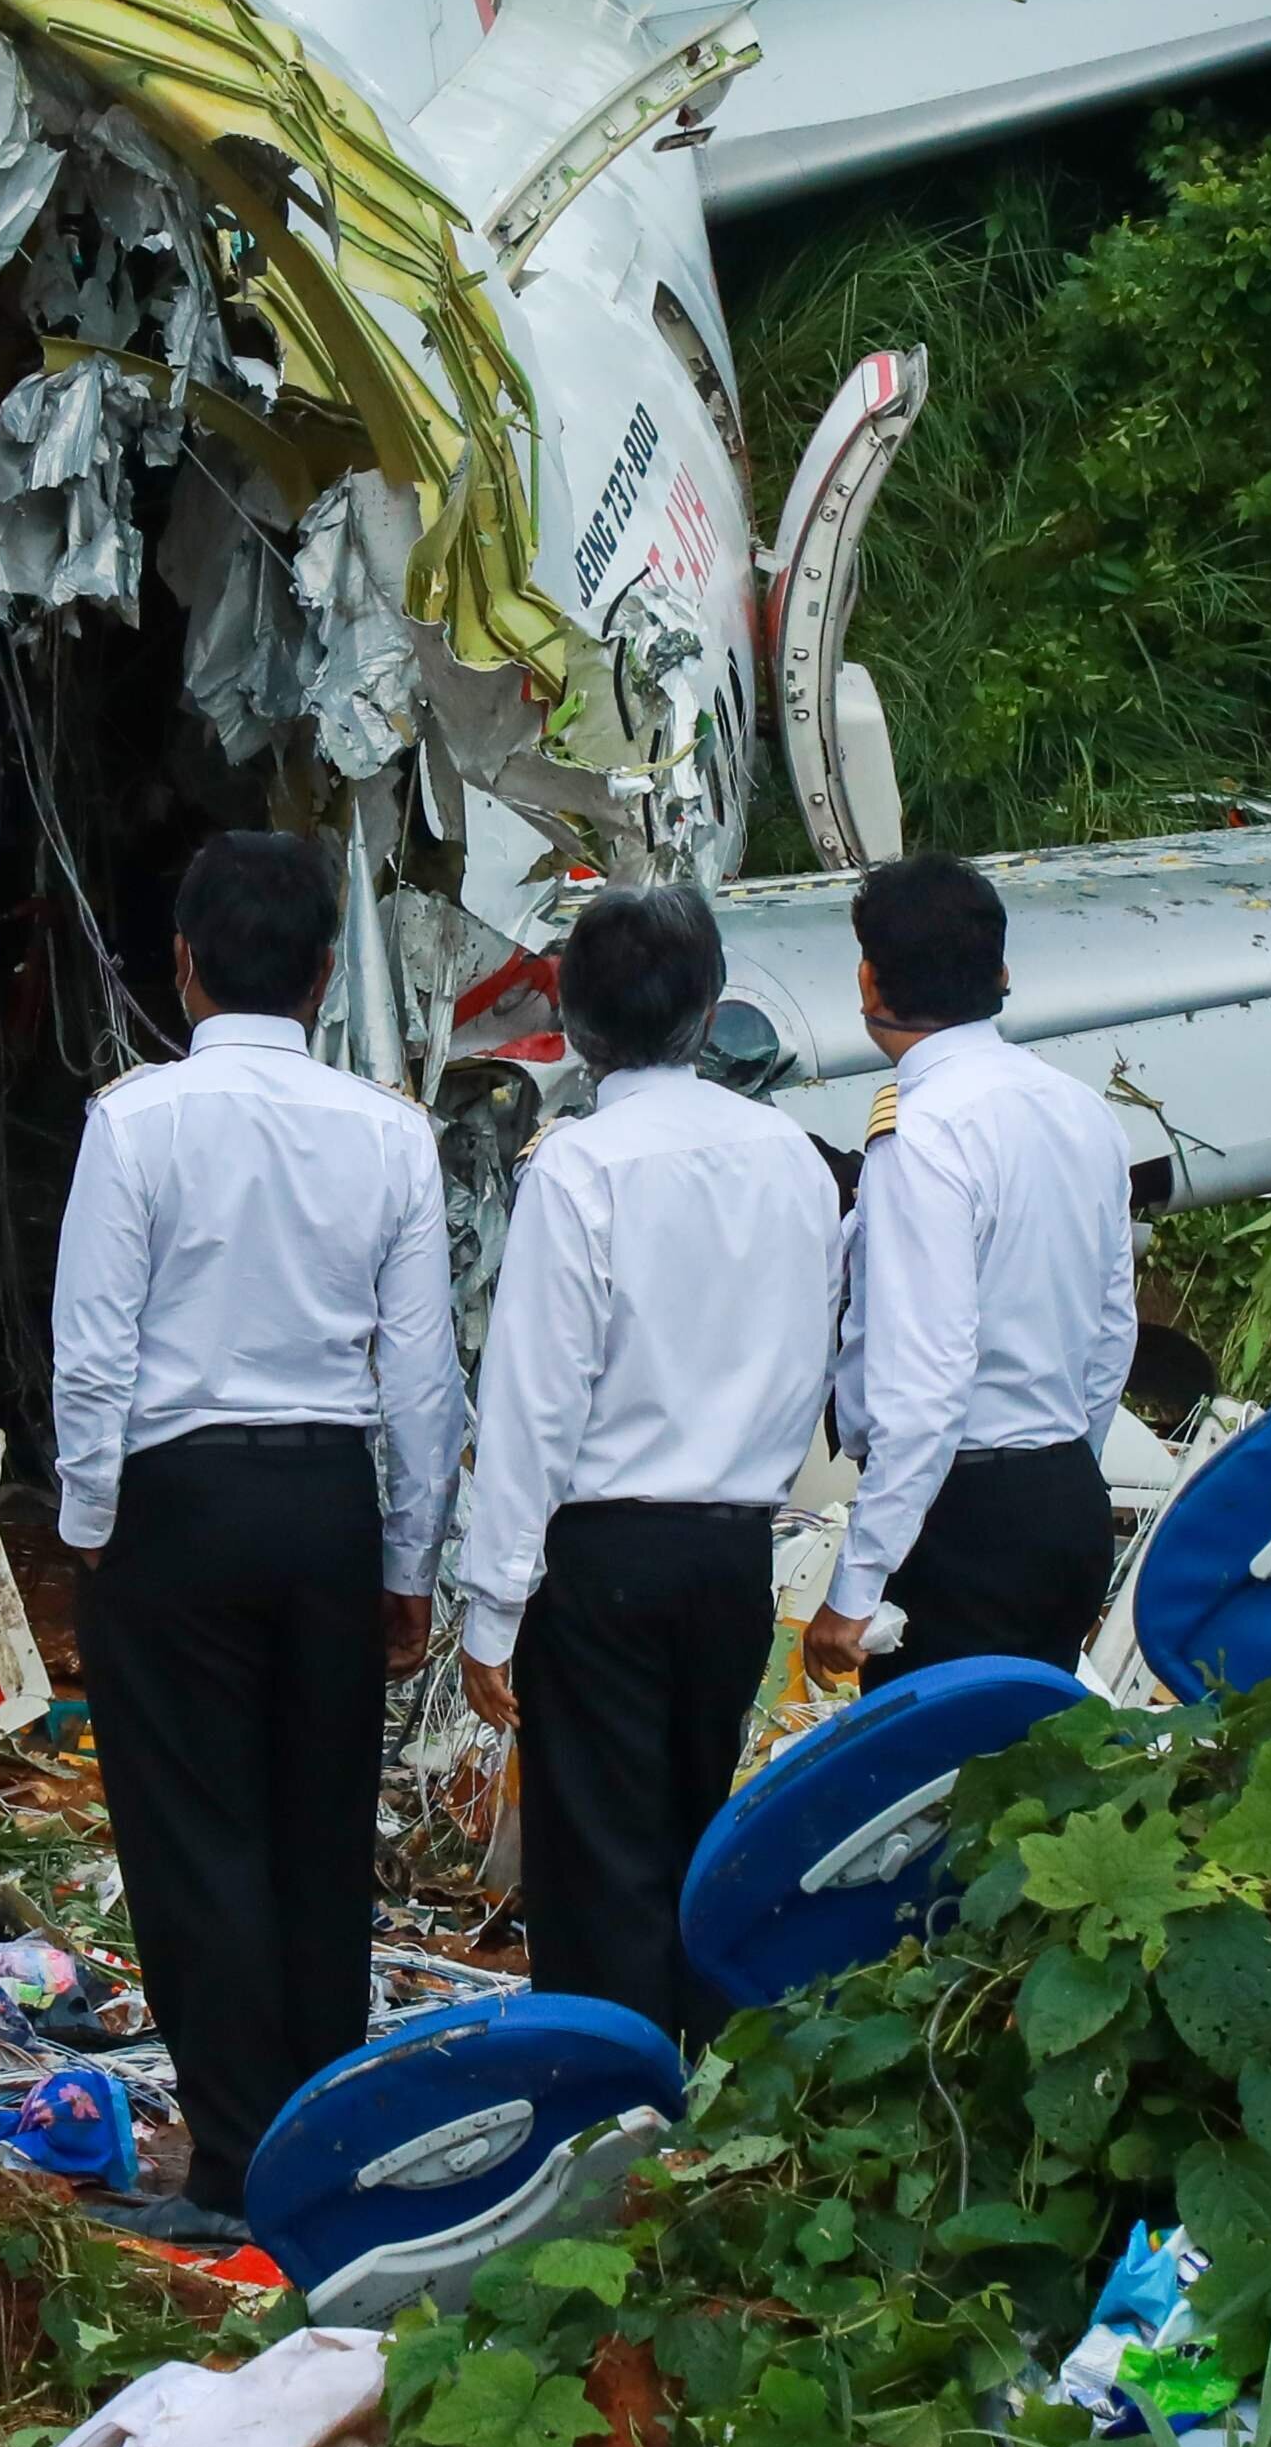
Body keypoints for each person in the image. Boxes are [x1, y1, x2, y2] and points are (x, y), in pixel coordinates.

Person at [47, 829, 456, 2210]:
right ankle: (327, 2142)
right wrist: (410, 1559)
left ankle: (235, 2157)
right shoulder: (392, 1134)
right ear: (328, 974)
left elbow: (93, 1352)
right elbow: (422, 1378)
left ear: (181, 966)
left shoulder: (134, 1122)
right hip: (328, 1498)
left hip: (177, 1501)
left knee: (196, 1828)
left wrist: (91, 1521)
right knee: (322, 1821)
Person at [450, 886, 839, 2033]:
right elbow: (814, 1342)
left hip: (605, 1548)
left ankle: (605, 2108)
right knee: (695, 1831)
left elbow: (533, 1401)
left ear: (570, 1021)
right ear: (712, 1008)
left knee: (597, 1859)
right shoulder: (794, 1158)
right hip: (732, 1548)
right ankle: (709, 2109)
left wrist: (492, 1609)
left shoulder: (581, 1168)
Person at [806, 853, 1143, 1689]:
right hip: (1064, 1493)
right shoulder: (1082, 1111)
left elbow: (926, 1384)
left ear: (869, 983)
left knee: (933, 1796)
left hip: (963, 1521)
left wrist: (856, 1583)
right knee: (1036, 1795)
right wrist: (1065, 1473)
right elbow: (1112, 1333)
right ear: (1000, 972)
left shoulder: (922, 1135)